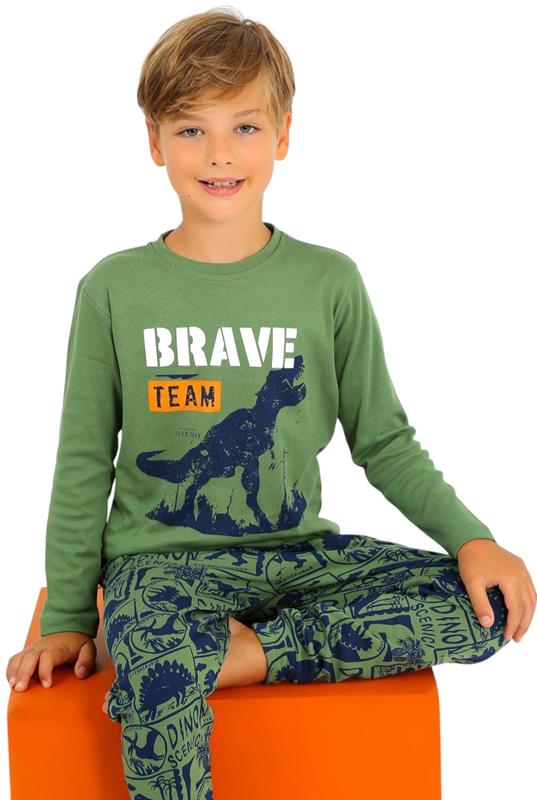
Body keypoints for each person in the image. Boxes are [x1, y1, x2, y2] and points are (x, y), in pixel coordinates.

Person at [6, 7, 536, 799]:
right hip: (159, 569)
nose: (220, 153)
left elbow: (382, 441)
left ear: (282, 135)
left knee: (487, 608)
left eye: (245, 127)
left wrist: (471, 538)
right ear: (154, 141)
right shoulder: (112, 289)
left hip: (296, 560)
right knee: (156, 675)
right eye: (191, 130)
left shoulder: (329, 281)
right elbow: (84, 461)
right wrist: (69, 622)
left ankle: (250, 654)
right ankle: (188, 656)